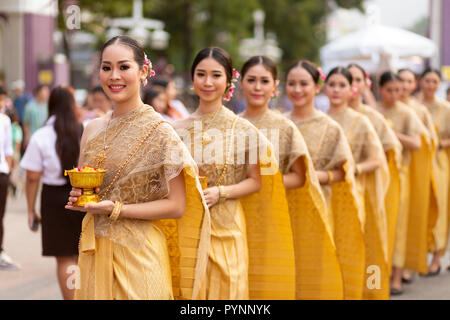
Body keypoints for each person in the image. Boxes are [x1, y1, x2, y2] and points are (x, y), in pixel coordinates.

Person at [65, 35, 210, 300]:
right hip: (94, 252)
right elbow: (90, 190)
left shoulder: (160, 131)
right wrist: (80, 198)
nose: (114, 76)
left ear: (143, 71)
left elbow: (177, 206)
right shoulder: (91, 129)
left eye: (124, 67)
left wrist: (117, 209)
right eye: (106, 67)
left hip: (140, 255)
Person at [173, 47, 296, 300]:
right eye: (201, 74)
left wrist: (221, 192)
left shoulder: (243, 129)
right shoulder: (174, 130)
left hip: (227, 229)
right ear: (192, 79)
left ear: (228, 81)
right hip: (184, 227)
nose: (208, 82)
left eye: (216, 75)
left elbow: (257, 181)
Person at [239, 55, 343, 299]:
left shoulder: (284, 127)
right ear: (239, 82)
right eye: (251, 79)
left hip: (280, 212)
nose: (256, 87)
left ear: (274, 86)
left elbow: (302, 177)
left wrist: (261, 184)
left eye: (264, 80)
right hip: (235, 213)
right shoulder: (231, 124)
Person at [284, 61, 365, 300]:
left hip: (318, 207)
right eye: (292, 83)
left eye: (303, 84)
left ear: (317, 87)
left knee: (314, 270)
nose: (297, 89)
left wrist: (317, 176)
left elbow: (345, 171)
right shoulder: (279, 123)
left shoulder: (330, 127)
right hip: (281, 207)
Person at [325, 67, 389, 300]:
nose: (336, 90)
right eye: (332, 84)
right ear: (324, 86)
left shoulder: (361, 122)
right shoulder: (318, 118)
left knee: (348, 249)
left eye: (342, 85)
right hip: (321, 195)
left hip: (352, 195)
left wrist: (354, 170)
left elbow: (378, 159)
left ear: (352, 89)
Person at [19, 86, 84, 299]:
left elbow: (32, 177)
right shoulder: (84, 130)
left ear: (51, 105)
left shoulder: (41, 136)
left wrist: (30, 210)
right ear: (73, 105)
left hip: (54, 200)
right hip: (83, 196)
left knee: (65, 258)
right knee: (82, 255)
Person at [376, 71, 431, 295]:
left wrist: (393, 135)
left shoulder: (407, 113)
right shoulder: (373, 113)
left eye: (397, 90)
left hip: (400, 175)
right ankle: (377, 275)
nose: (393, 94)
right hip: (377, 176)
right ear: (380, 90)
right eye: (389, 90)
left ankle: (396, 277)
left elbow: (418, 143)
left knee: (398, 225)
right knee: (378, 226)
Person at [348, 64, 403, 275]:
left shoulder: (372, 117)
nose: (353, 85)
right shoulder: (328, 117)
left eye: (357, 80)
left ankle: (373, 287)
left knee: (369, 239)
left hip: (367, 187)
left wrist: (366, 168)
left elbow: (392, 150)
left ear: (366, 84)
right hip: (335, 189)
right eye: (348, 80)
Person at [399, 68, 443, 281]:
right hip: (397, 168)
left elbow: (429, 140)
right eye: (402, 81)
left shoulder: (422, 110)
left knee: (424, 212)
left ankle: (429, 259)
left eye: (409, 81)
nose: (406, 86)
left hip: (429, 166)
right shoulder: (390, 108)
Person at [418, 68, 450, 273]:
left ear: (439, 84)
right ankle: (417, 255)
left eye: (434, 81)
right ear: (420, 82)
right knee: (420, 208)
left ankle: (436, 258)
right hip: (418, 163)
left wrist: (438, 144)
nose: (430, 85)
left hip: (439, 162)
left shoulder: (445, 108)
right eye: (427, 80)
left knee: (439, 207)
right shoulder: (414, 106)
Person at [0, 86, 20, 270]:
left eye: (2, 100)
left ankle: (0, 251)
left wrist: (9, 170)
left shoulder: (5, 120)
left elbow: (8, 148)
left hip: (1, 173)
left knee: (0, 214)